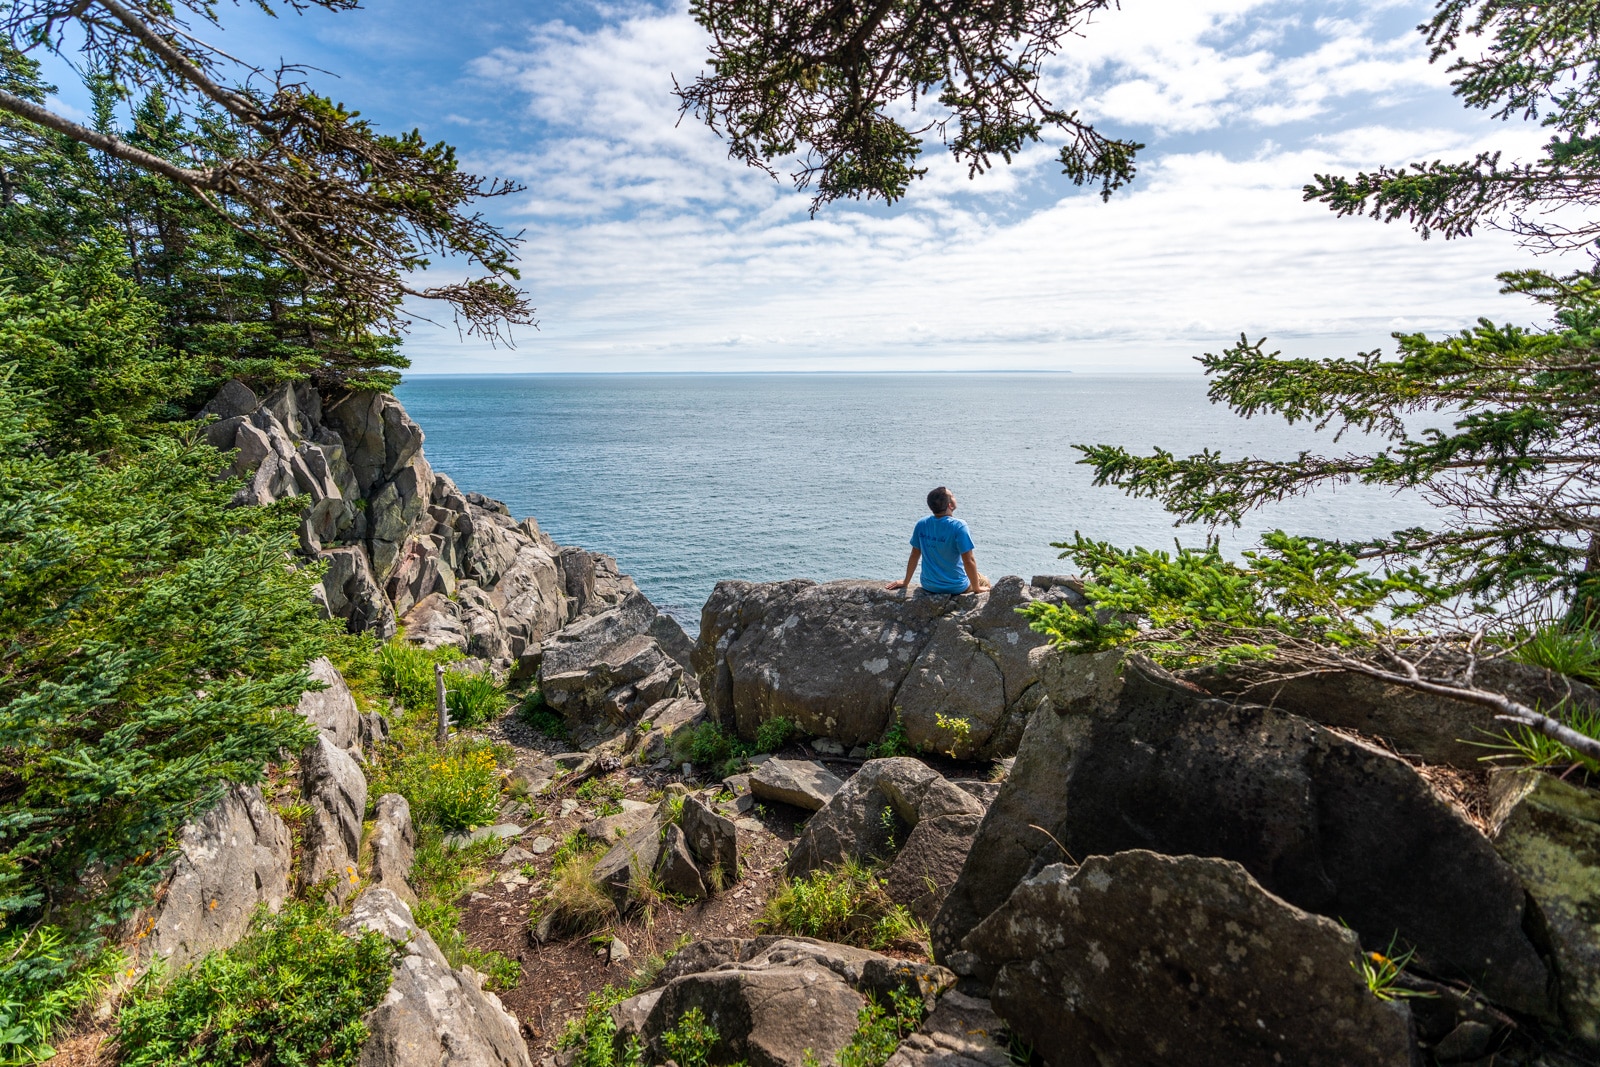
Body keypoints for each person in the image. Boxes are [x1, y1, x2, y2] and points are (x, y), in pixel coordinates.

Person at [887, 486, 991, 595]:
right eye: (953, 496)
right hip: (956, 586)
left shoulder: (922, 524)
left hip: (929, 585)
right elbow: (969, 561)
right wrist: (976, 588)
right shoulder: (959, 526)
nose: (955, 497)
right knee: (984, 580)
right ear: (950, 505)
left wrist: (905, 582)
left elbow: (914, 554)